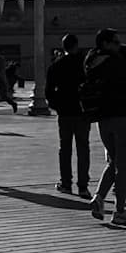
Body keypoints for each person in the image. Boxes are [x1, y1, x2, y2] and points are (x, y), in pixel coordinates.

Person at [82, 28, 126, 227]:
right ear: (106, 43)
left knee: (114, 159)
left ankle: (99, 198)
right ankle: (120, 210)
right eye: (115, 42)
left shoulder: (91, 61)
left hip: (102, 116)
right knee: (123, 163)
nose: (118, 45)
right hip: (123, 115)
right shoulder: (114, 62)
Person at [45, 34, 92, 196]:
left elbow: (49, 92)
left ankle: (66, 183)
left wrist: (57, 106)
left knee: (65, 148)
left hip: (65, 112)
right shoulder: (83, 65)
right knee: (83, 148)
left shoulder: (56, 66)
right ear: (76, 45)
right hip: (81, 112)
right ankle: (83, 185)